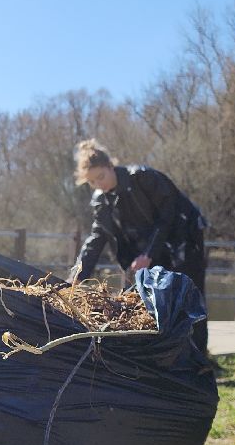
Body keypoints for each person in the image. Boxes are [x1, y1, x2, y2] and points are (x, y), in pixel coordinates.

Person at [68, 139, 210, 353]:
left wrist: (148, 254)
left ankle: (198, 357)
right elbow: (97, 238)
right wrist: (78, 274)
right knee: (149, 300)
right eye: (92, 182)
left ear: (111, 166)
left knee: (190, 297)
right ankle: (164, 356)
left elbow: (168, 216)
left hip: (184, 240)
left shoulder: (143, 177)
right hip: (151, 250)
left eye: (101, 177)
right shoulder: (101, 201)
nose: (98, 184)